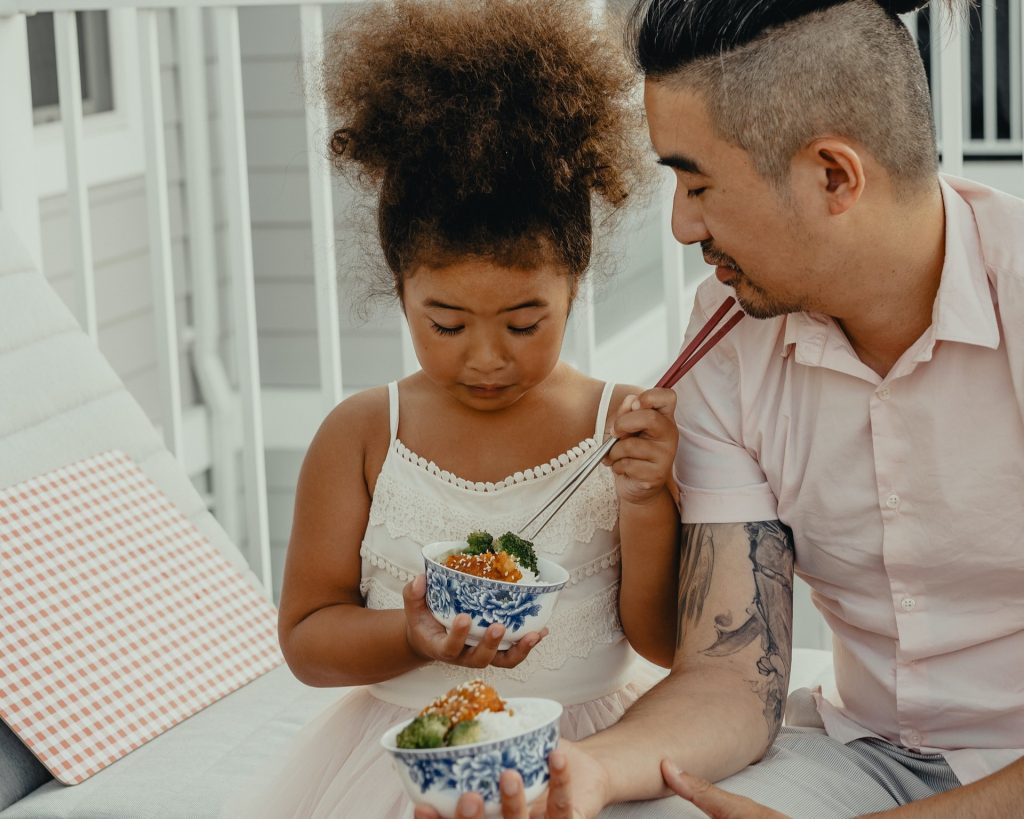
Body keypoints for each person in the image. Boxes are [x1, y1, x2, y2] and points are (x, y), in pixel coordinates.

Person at [416, 0, 1024, 816]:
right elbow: (733, 671)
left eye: (697, 183)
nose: (680, 225)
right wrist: (584, 770)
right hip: (866, 755)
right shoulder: (728, 340)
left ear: (834, 175)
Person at [221, 1, 683, 816]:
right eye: (445, 322)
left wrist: (648, 498)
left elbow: (662, 640)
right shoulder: (365, 434)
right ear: (398, 287)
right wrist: (409, 635)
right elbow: (306, 637)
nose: (486, 356)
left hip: (585, 756)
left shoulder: (618, 428)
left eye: (524, 321)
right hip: (407, 763)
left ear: (575, 283)